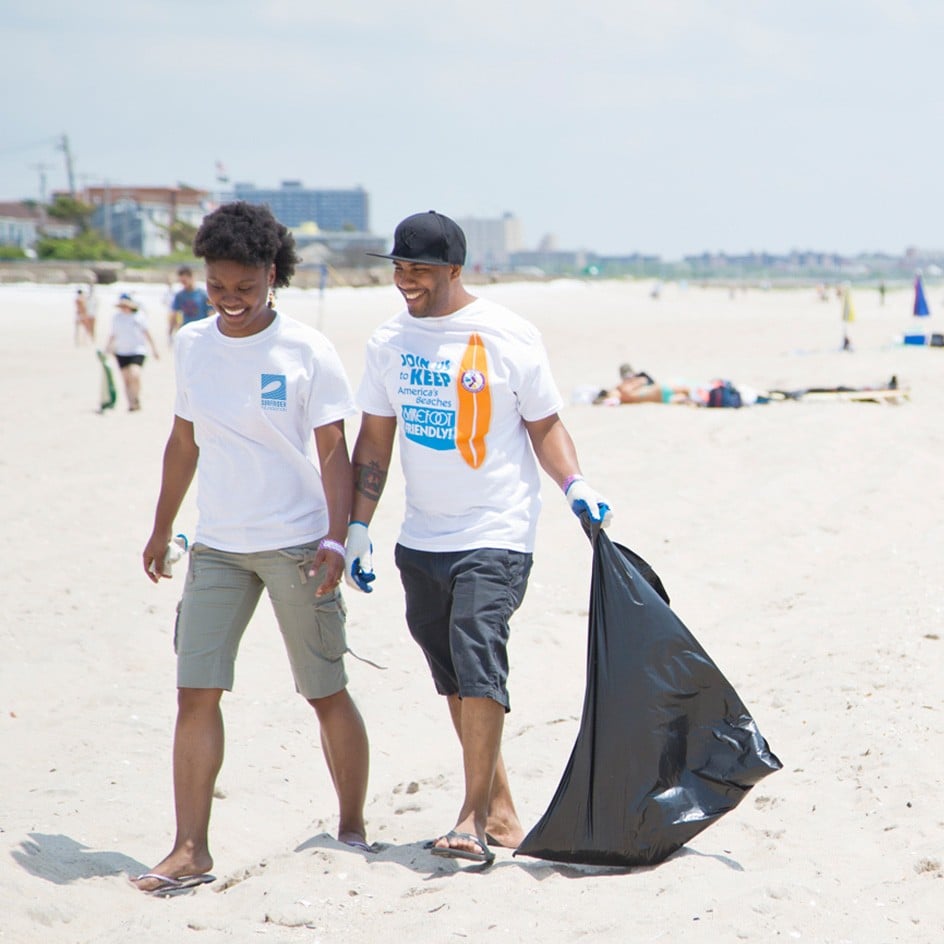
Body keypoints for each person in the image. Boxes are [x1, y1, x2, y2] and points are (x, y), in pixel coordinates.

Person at [344, 210, 612, 866]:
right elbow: (375, 438)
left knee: (478, 650)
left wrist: (575, 485)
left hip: (497, 530)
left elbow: (545, 424)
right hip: (423, 538)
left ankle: (470, 818)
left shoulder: (507, 335)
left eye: (420, 270)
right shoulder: (388, 342)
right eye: (399, 267)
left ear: (455, 270)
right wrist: (355, 526)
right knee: (455, 680)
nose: (406, 280)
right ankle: (502, 811)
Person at [135, 201, 370, 895]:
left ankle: (352, 825)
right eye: (217, 287)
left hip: (298, 544)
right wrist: (160, 526)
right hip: (217, 546)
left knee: (324, 691)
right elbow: (184, 441)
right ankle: (189, 849)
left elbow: (335, 453)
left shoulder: (307, 351)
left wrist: (336, 536)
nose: (230, 301)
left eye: (244, 287)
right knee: (194, 693)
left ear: (272, 275)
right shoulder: (192, 344)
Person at [104, 293, 160, 411]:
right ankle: (131, 403)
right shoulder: (117, 318)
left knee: (135, 374)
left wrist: (154, 349)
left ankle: (135, 397)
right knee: (126, 379)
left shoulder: (139, 317)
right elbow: (113, 334)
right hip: (121, 351)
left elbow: (147, 333)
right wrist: (108, 348)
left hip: (137, 350)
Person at [593, 363, 691, 405]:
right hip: (659, 393)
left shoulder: (622, 391)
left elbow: (643, 381)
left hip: (660, 394)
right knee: (686, 394)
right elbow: (643, 381)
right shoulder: (623, 391)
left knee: (686, 393)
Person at [168, 265, 213, 345]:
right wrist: (170, 333)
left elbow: (211, 313)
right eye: (181, 282)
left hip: (202, 332)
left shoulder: (203, 295)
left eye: (185, 281)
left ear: (191, 277)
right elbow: (174, 314)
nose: (183, 284)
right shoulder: (179, 296)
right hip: (187, 331)